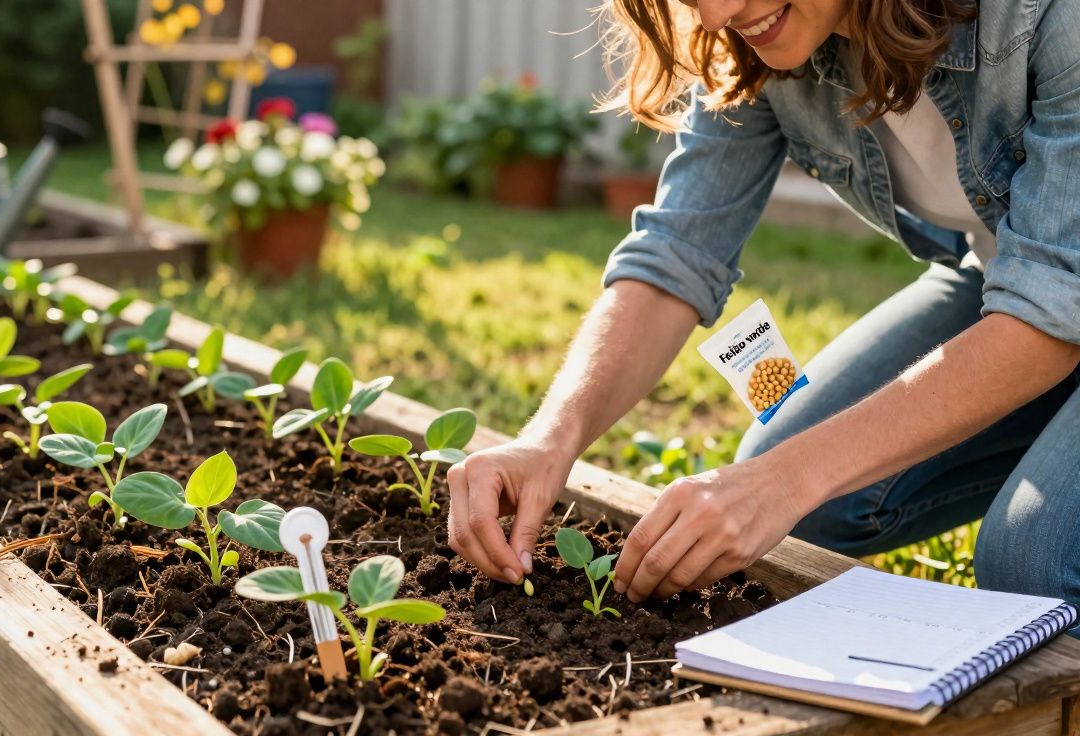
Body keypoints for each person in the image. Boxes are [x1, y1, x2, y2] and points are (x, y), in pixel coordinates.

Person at [446, 0, 1080, 616]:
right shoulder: (765, 47)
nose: (718, 15)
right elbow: (679, 249)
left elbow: (1045, 312)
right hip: (1016, 287)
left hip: (1044, 307)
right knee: (801, 503)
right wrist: (547, 440)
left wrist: (788, 478)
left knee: (1031, 561)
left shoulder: (1045, 16)